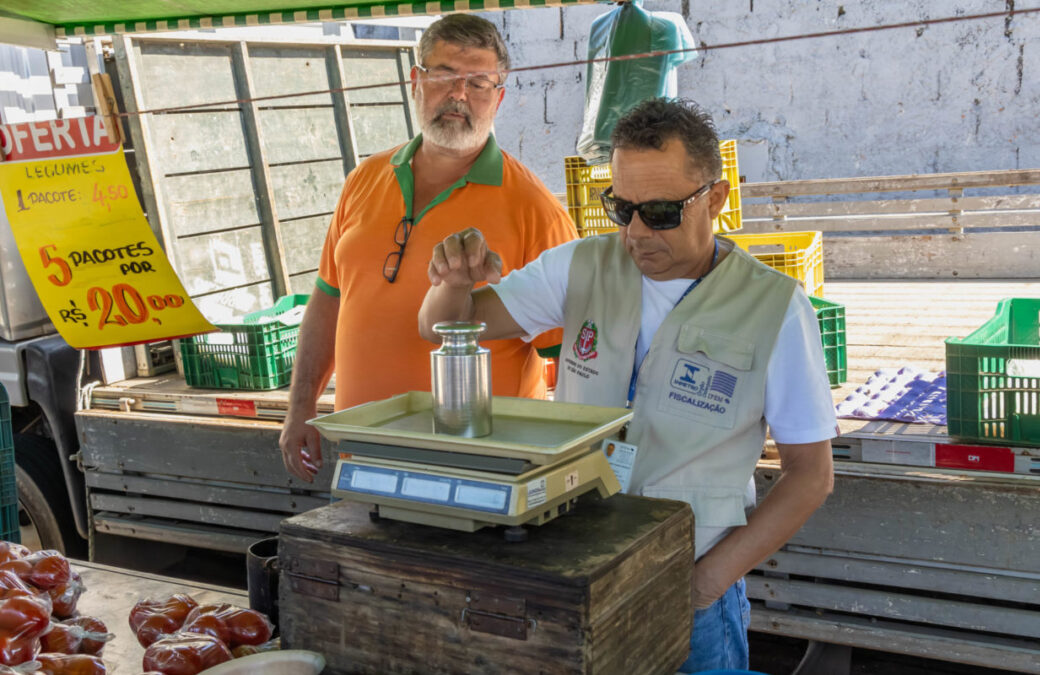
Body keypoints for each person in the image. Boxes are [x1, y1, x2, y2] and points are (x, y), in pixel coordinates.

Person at [418, 98, 835, 672]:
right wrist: (452, 281)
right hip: (575, 570)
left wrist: (703, 584)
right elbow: (447, 324)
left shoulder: (775, 308)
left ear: (715, 198)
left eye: (661, 211)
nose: (637, 232)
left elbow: (810, 476)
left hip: (693, 588)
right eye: (622, 207)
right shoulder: (582, 266)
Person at [280, 14, 577, 482]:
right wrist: (300, 409)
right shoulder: (364, 180)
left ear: (498, 97)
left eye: (479, 82)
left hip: (482, 466)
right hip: (365, 454)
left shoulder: (534, 208)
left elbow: (575, 356)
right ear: (415, 81)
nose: (460, 95)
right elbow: (327, 303)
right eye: (444, 76)